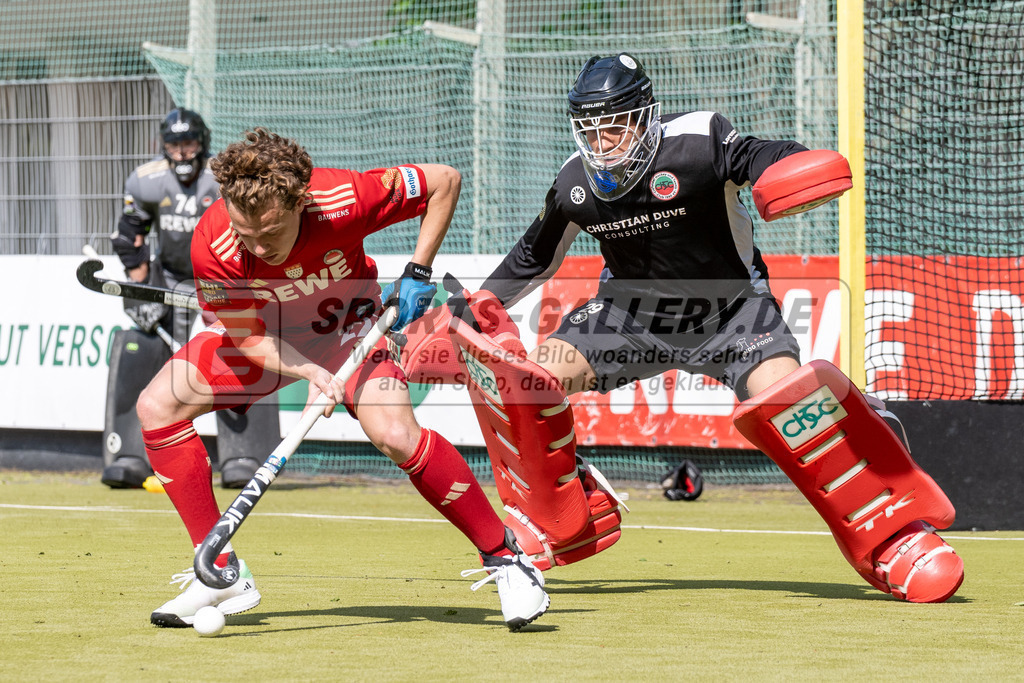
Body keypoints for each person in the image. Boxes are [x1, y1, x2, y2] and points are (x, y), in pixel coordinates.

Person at [475, 53, 964, 602]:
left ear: (644, 117)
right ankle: (566, 507)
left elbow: (761, 155)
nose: (602, 144)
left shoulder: (699, 140)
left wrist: (792, 167)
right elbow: (533, 255)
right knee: (528, 383)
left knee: (791, 404)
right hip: (630, 318)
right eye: (590, 132)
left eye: (613, 128)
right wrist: (480, 303)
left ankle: (896, 535)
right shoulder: (575, 182)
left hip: (733, 313)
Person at [135, 128, 548, 631]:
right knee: (158, 406)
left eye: (271, 234)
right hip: (273, 338)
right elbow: (248, 338)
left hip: (349, 328)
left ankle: (506, 558)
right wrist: (310, 371)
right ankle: (219, 572)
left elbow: (444, 182)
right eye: (248, 235)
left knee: (395, 434)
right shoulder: (214, 242)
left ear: (300, 203)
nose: (260, 249)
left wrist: (419, 271)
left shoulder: (342, 198)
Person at [103, 108, 273, 490]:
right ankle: (130, 455)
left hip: (222, 277)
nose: (181, 152)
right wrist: (140, 293)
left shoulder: (224, 179)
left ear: (202, 143)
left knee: (238, 350)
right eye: (174, 145)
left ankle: (243, 455)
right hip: (170, 278)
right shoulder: (146, 181)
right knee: (143, 344)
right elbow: (130, 238)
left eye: (189, 143)